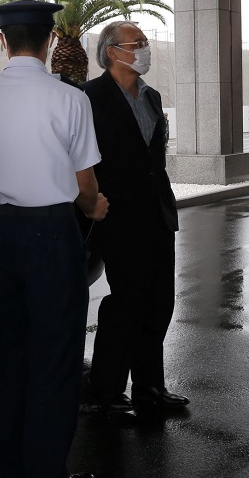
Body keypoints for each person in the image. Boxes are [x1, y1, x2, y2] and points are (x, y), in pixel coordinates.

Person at [0, 0, 108, 478]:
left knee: (5, 357)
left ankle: (10, 468)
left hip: (0, 234)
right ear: (49, 41)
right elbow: (85, 181)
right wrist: (94, 207)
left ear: (2, 41)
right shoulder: (69, 98)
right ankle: (46, 469)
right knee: (54, 356)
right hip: (50, 233)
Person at [80, 21, 188, 413]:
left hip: (157, 212)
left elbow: (152, 158)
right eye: (136, 43)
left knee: (159, 302)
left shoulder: (151, 96)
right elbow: (80, 159)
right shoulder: (87, 98)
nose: (145, 49)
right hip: (116, 216)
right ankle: (105, 391)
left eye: (145, 43)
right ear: (112, 51)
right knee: (127, 302)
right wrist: (90, 201)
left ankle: (150, 388)